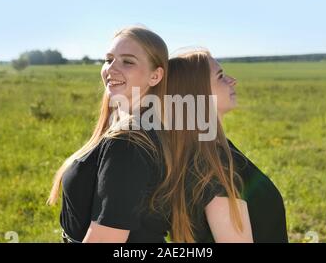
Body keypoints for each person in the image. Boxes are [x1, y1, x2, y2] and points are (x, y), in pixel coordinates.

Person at [47, 26, 171, 243]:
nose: (111, 69)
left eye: (128, 61)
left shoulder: (128, 143)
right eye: (108, 59)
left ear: (155, 76)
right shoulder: (136, 126)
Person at [164, 49, 288, 243]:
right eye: (220, 76)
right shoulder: (210, 165)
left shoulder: (212, 151)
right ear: (199, 92)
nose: (232, 80)